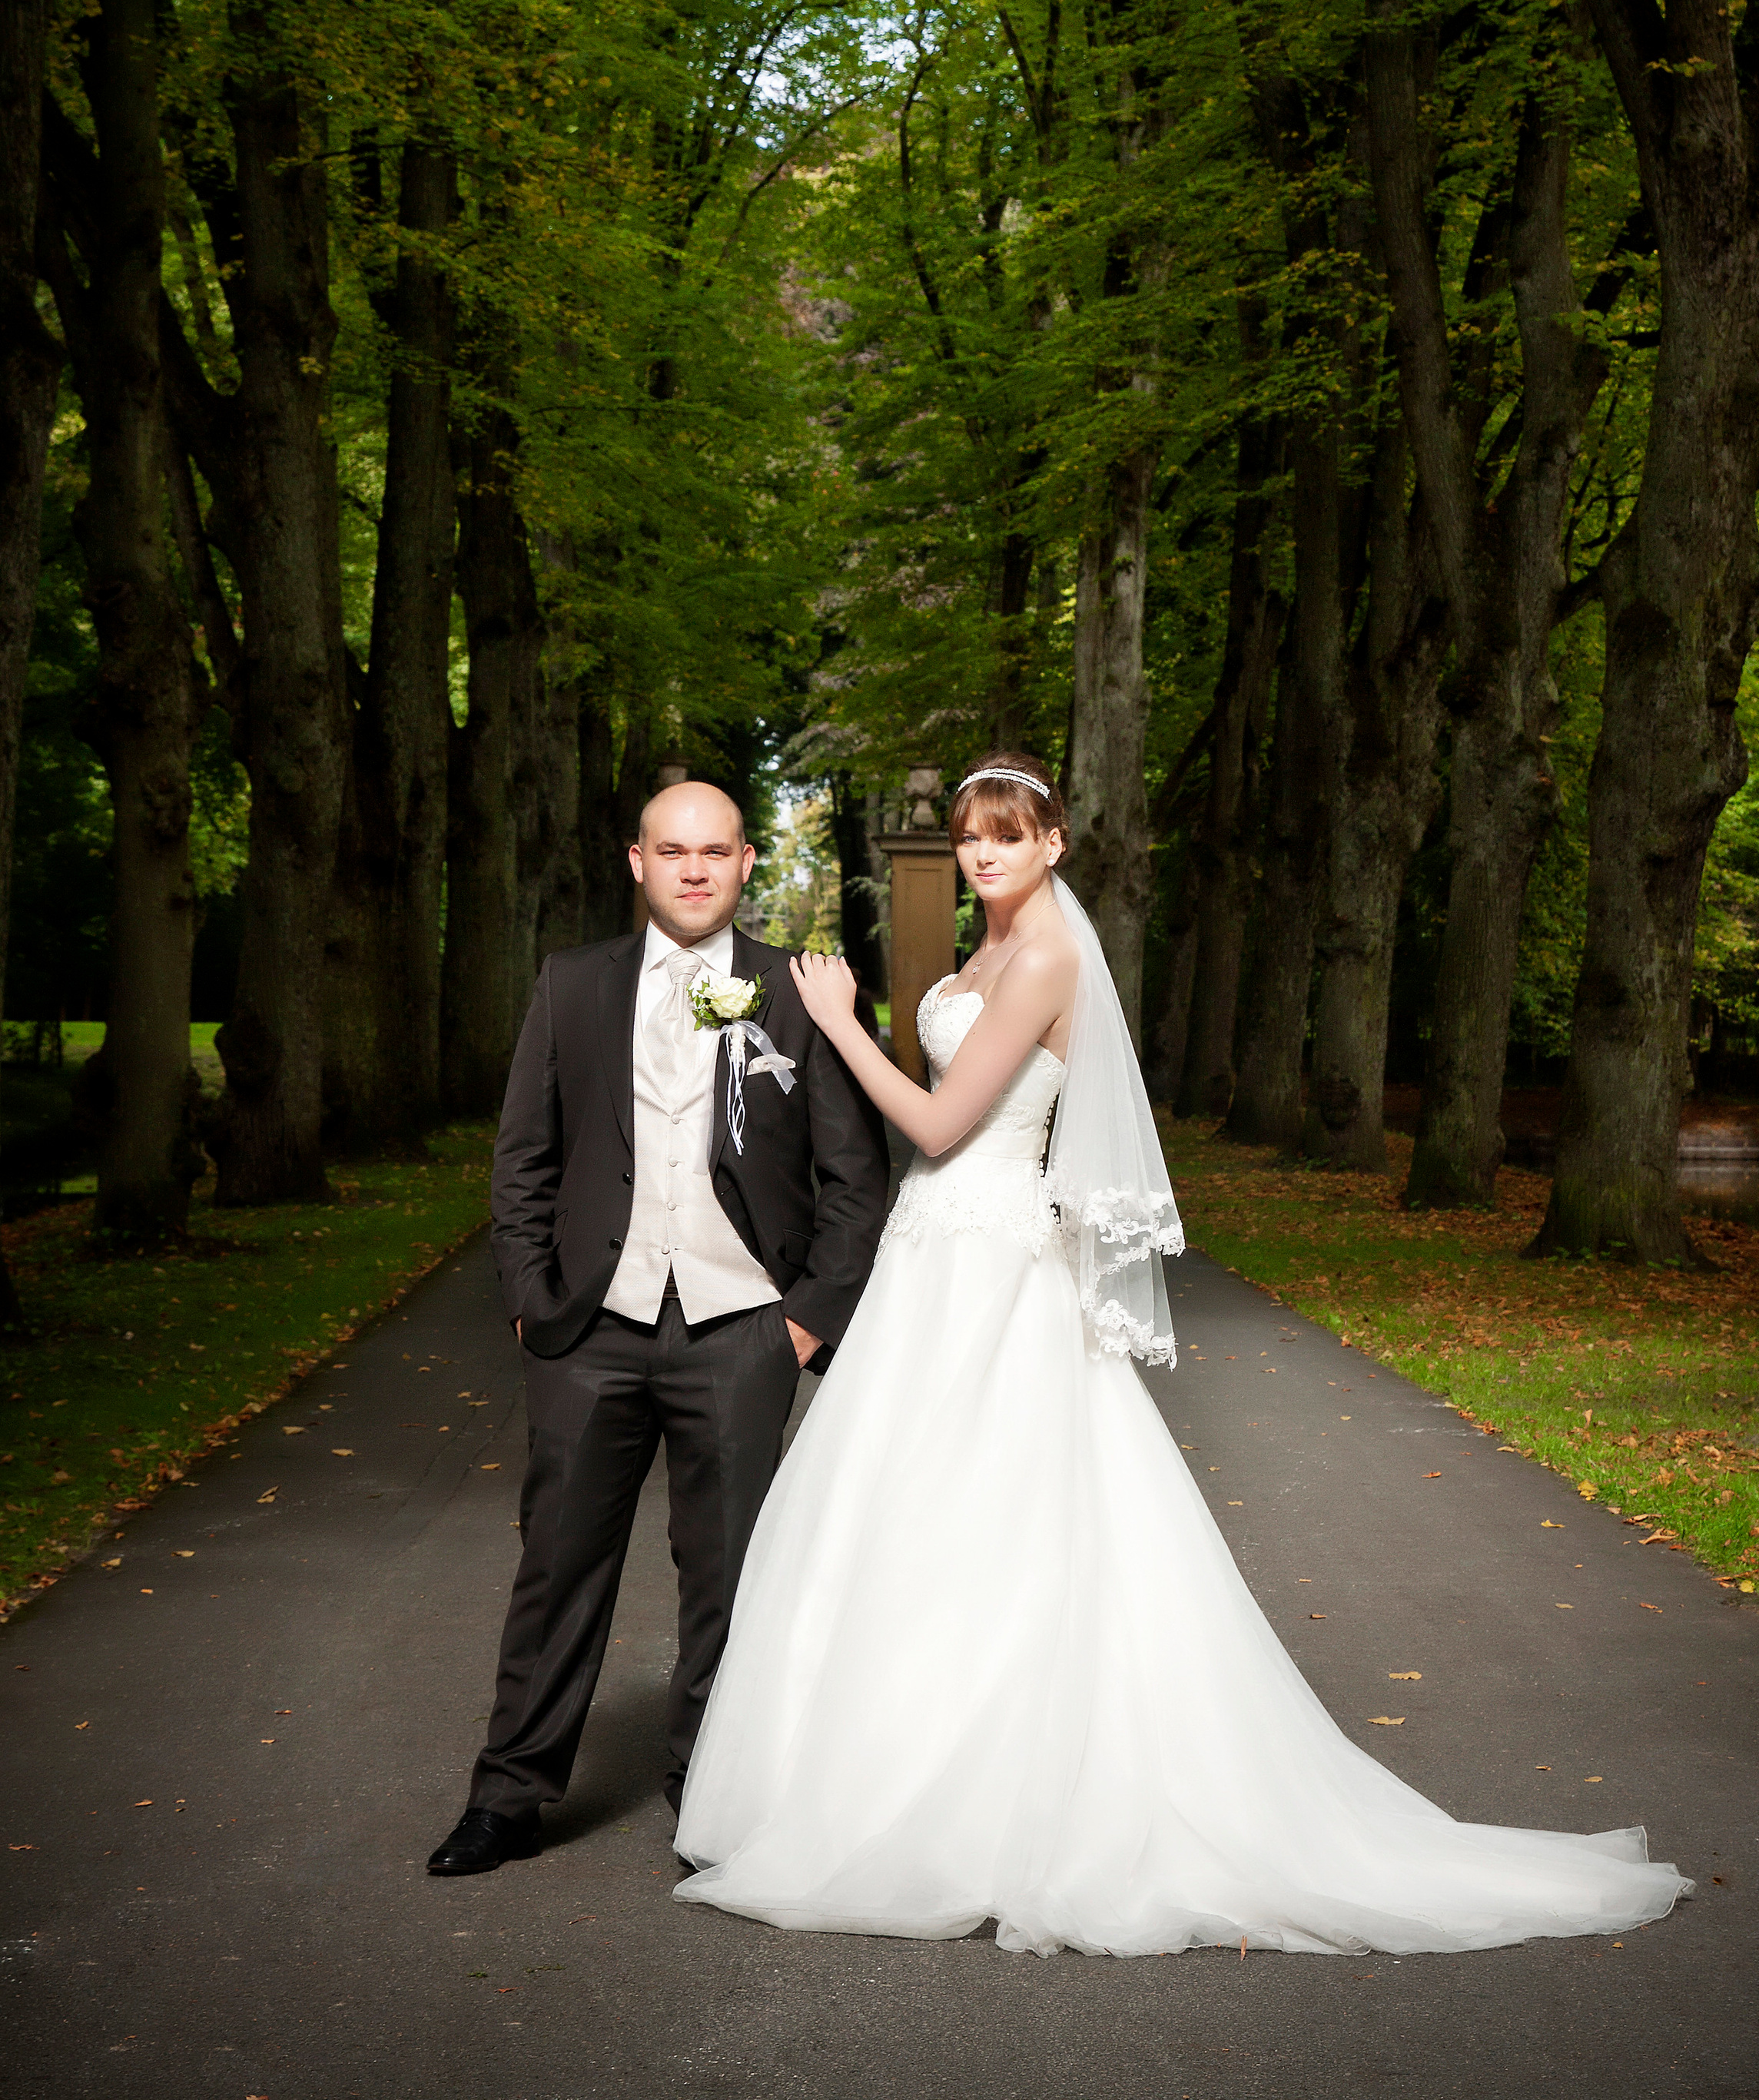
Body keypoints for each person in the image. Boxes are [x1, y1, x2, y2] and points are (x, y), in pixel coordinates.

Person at [672, 754, 1692, 1956]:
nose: (985, 854)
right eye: (969, 838)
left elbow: (946, 1126)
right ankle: (876, 1782)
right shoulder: (992, 952)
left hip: (991, 1259)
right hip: (936, 1254)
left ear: (1054, 844)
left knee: (992, 1513)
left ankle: (993, 1809)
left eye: (1009, 835)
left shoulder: (1046, 954)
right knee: (908, 1511)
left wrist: (842, 1024)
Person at [427, 779, 890, 1879]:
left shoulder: (800, 992)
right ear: (636, 861)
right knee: (557, 1561)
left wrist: (807, 1324)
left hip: (743, 1329)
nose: (693, 869)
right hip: (590, 1325)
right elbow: (524, 1160)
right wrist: (534, 1302)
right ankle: (510, 1794)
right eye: (672, 850)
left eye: (716, 851)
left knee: (729, 1575)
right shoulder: (573, 984)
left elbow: (854, 1179)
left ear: (743, 865)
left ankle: (709, 1797)